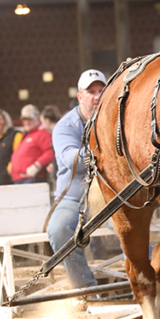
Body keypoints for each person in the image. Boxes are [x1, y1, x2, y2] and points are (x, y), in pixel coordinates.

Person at [47, 70, 107, 289]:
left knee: (135, 224)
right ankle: (85, 288)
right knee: (60, 229)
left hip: (114, 195)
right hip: (76, 197)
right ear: (80, 96)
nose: (97, 96)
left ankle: (148, 284)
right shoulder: (65, 126)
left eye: (101, 90)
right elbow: (73, 160)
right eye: (91, 92)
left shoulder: (117, 117)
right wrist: (106, 151)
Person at [9, 104, 53, 185]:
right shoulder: (27, 134)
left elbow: (50, 152)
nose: (26, 122)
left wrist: (37, 165)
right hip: (20, 178)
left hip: (31, 179)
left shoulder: (42, 134)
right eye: (24, 119)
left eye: (29, 119)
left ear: (37, 118)